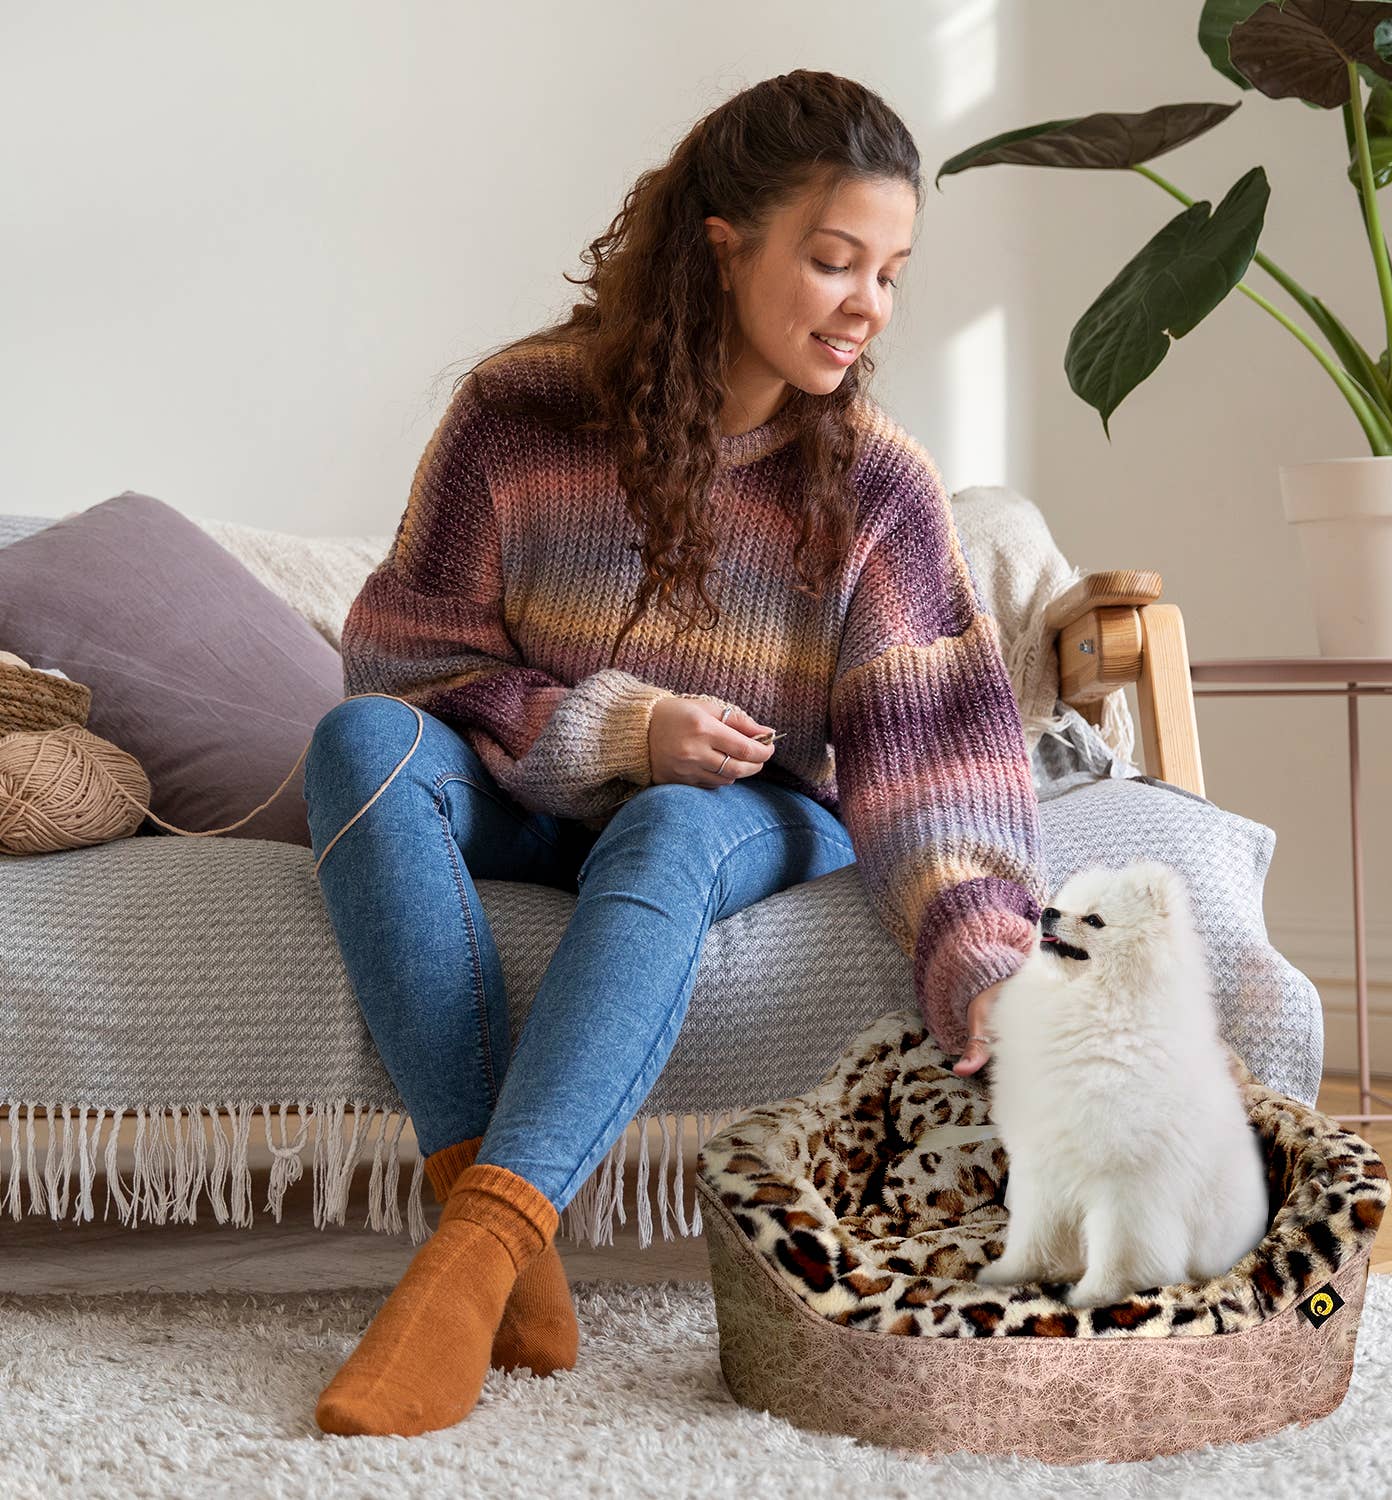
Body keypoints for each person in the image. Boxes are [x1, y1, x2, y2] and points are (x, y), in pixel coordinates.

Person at [302, 68, 1045, 1439]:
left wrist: (980, 954)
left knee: (669, 826)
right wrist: (619, 729)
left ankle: (466, 1262)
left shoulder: (878, 485)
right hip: (536, 784)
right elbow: (404, 661)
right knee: (356, 744)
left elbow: (932, 757)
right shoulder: (517, 416)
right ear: (723, 245)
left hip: (751, 815)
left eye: (890, 271)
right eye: (834, 262)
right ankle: (501, 1242)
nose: (868, 306)